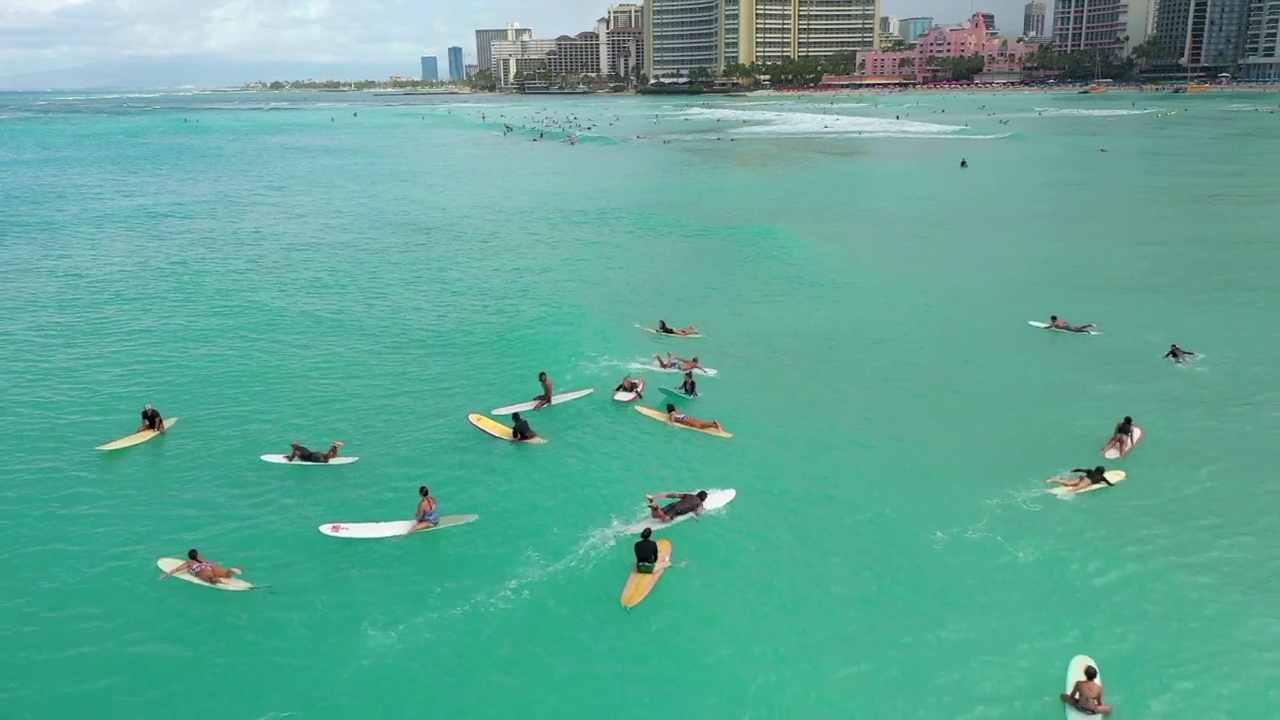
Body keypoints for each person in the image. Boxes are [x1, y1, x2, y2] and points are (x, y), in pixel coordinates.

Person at [158, 548, 242, 585]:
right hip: (210, 565)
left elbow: (177, 569)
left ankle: (219, 581)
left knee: (210, 578)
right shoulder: (202, 558)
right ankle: (230, 571)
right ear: (197, 555)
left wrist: (166, 574)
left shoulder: (189, 563)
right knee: (226, 573)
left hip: (201, 569)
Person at [1046, 466, 1114, 493]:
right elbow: (1109, 483)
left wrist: (1073, 471)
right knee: (1076, 488)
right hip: (1087, 482)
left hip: (1082, 478)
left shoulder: (1090, 471)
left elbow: (1081, 469)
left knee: (1069, 483)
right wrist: (1113, 484)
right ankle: (1067, 494)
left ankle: (1053, 479)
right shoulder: (1101, 477)